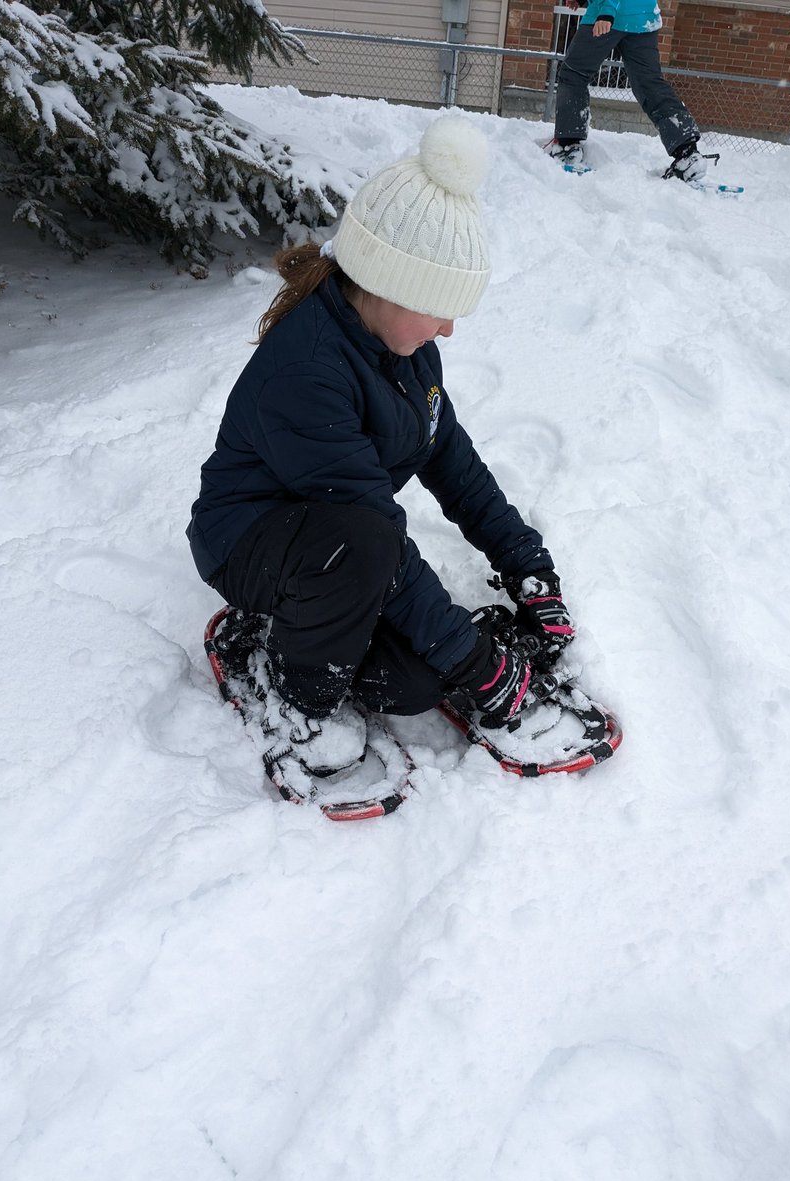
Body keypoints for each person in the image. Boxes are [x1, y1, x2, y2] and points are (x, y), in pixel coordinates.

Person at [187, 116, 575, 765]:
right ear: (390, 286)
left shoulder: (405, 348)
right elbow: (375, 536)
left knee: (414, 681)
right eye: (440, 306)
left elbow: (449, 457)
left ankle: (312, 629)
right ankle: (291, 690)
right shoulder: (306, 372)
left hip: (341, 544)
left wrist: (527, 565)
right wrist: (485, 670)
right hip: (252, 543)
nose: (450, 329)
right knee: (368, 552)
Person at [548, 0, 706, 181]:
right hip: (643, 18)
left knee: (574, 74)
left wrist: (607, 11)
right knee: (650, 84)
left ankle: (569, 146)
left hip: (610, 14)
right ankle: (687, 152)